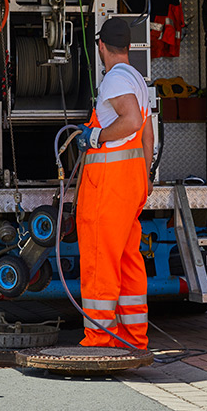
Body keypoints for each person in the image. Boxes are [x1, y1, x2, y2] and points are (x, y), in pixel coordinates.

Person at [75, 17, 153, 350]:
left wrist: (95, 136)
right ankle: (134, 336)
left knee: (99, 257)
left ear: (102, 47)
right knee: (127, 258)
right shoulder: (137, 79)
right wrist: (145, 178)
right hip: (131, 181)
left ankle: (99, 337)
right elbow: (146, 132)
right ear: (129, 47)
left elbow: (131, 121)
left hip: (109, 186)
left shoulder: (114, 81)